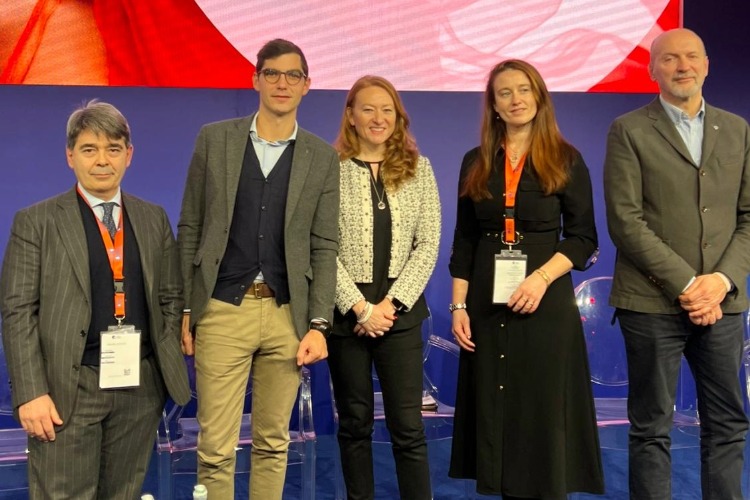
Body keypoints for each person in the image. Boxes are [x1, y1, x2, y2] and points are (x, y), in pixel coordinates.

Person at [0, 100, 190, 499]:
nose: (102, 160)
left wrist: (158, 369)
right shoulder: (36, 222)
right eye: (89, 149)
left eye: (113, 149)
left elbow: (171, 297)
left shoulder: (152, 217)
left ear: (129, 155)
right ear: (70, 156)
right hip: (67, 389)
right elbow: (17, 312)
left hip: (139, 386)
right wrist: (31, 392)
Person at [177, 39, 339, 499]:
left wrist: (319, 324)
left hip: (288, 315)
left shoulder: (321, 157)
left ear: (307, 85)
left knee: (273, 443)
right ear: (255, 80)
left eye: (293, 75)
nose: (282, 83)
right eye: (272, 73)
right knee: (215, 448)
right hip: (222, 311)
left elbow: (324, 245)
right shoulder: (215, 139)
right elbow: (190, 226)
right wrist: (187, 308)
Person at [603, 27, 750, 500]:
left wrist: (721, 281)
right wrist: (689, 285)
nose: (682, 66)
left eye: (691, 57)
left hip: (723, 305)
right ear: (652, 70)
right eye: (669, 58)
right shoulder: (628, 129)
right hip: (650, 305)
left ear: (706, 65)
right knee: (651, 429)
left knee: (727, 425)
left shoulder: (738, 129)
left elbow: (748, 216)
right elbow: (625, 221)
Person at [448, 59, 605, 498]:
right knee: (496, 407)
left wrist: (540, 279)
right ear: (494, 105)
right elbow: (465, 240)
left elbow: (583, 238)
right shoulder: (474, 161)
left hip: (545, 299)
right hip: (485, 299)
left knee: (540, 409)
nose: (515, 100)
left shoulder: (566, 159)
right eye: (505, 93)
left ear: (539, 97)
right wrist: (458, 305)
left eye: (523, 90)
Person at [328, 75, 441, 499]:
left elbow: (428, 243)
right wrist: (360, 308)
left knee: (408, 427)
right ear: (351, 116)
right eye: (368, 109)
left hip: (401, 314)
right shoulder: (329, 170)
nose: (378, 118)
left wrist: (389, 305)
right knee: (354, 423)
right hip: (347, 317)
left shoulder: (419, 168)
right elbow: (321, 246)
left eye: (387, 110)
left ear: (398, 117)